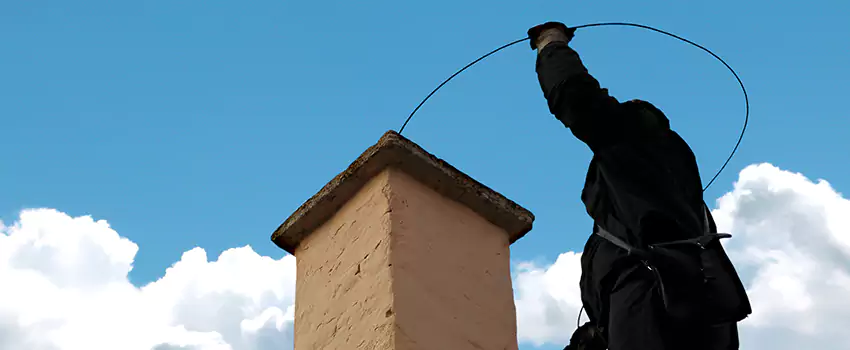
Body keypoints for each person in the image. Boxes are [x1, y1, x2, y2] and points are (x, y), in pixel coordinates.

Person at [527, 22, 743, 350]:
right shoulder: (666, 210)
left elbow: (575, 94)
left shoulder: (634, 144)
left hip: (651, 308)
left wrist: (551, 42)